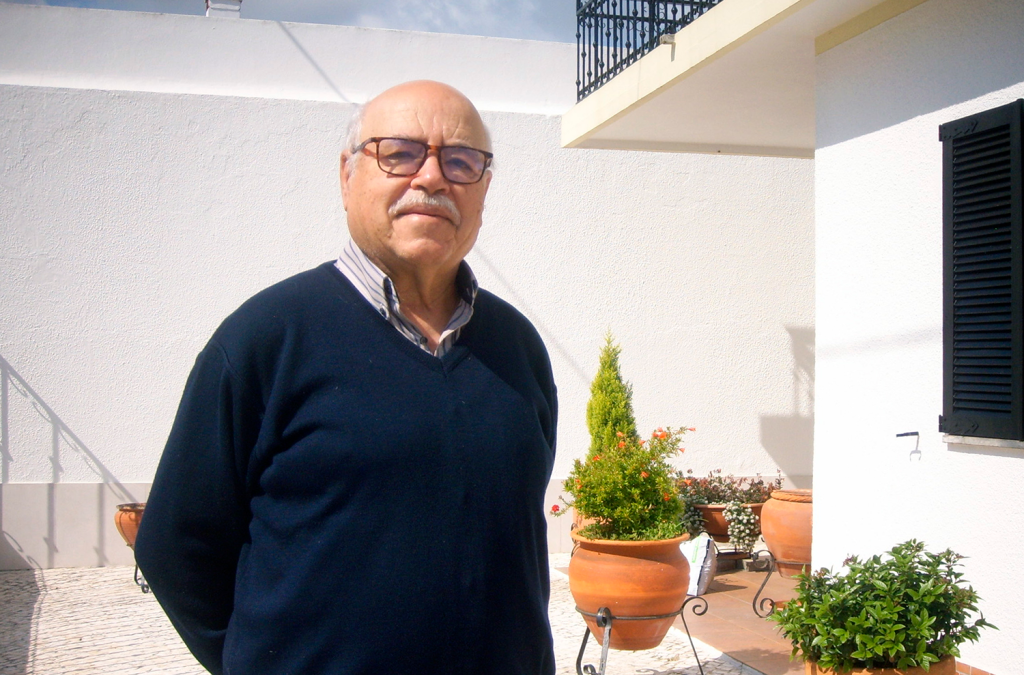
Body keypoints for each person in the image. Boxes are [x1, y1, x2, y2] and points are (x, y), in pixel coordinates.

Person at [135, 80, 558, 675]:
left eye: (461, 161)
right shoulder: (266, 339)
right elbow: (176, 546)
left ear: (485, 187)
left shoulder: (517, 348)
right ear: (347, 175)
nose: (432, 177)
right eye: (400, 153)